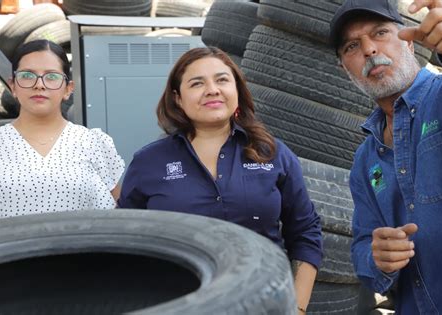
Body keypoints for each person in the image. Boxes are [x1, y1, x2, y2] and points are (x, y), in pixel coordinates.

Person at [118, 46, 323, 313]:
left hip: (263, 305)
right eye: (197, 83)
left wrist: (296, 307)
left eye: (222, 80)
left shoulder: (272, 153)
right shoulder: (149, 162)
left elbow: (305, 231)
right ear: (178, 98)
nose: (212, 89)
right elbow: (125, 241)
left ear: (236, 90)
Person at [329, 0, 442, 313]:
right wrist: (377, 258)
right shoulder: (365, 160)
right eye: (352, 46)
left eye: (380, 33)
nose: (368, 49)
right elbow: (363, 245)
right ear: (345, 68)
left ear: (408, 40)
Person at [0, 39, 124, 217]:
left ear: (68, 89)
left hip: (82, 244)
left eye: (52, 77)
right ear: (13, 86)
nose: (39, 85)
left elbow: (120, 212)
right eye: (27, 76)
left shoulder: (94, 143)